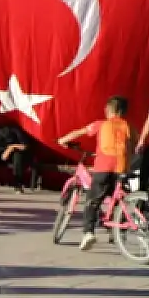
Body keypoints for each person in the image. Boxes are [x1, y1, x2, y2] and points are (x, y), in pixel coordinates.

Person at [59, 96, 134, 251]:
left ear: (109, 109)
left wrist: (62, 140)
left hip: (103, 167)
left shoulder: (101, 124)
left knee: (92, 201)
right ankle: (117, 232)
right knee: (116, 198)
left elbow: (79, 132)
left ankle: (88, 233)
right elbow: (134, 145)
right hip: (122, 168)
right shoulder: (129, 127)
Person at [0, 120, 38, 192]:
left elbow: (25, 146)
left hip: (18, 155)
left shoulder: (16, 130)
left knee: (17, 155)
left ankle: (18, 184)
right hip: (2, 156)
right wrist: (2, 153)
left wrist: (11, 148)